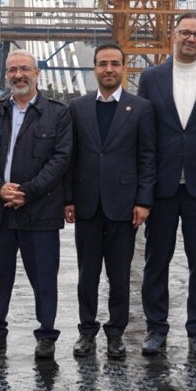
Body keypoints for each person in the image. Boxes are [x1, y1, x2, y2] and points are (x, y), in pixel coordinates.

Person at [138, 11, 196, 357]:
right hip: (161, 188)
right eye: (185, 32)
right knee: (156, 261)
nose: (191, 38)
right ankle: (156, 328)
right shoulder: (151, 78)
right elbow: (143, 135)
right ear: (174, 35)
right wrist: (142, 188)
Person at [0, 48, 72, 359]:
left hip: (40, 210)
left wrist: (27, 192)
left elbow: (61, 159)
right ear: (6, 75)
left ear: (37, 73)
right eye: (13, 70)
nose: (19, 75)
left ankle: (46, 335)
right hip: (0, 210)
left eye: (25, 69)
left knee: (44, 277)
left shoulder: (57, 113)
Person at [65, 44, 156, 359]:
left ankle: (116, 333)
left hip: (124, 206)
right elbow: (70, 156)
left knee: (120, 275)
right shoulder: (78, 107)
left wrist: (144, 201)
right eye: (102, 63)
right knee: (87, 274)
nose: (108, 69)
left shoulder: (140, 108)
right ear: (94, 68)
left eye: (115, 63)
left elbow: (147, 157)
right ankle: (86, 331)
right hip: (87, 204)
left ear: (124, 68)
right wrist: (68, 199)